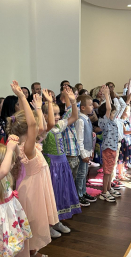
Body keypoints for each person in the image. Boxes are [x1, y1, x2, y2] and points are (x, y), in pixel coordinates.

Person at [7, 80, 58, 257]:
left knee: (36, 223)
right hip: (30, 193)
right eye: (34, 127)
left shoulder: (32, 143)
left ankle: (33, 252)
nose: (37, 128)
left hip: (38, 189)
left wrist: (39, 107)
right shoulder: (26, 149)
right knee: (29, 225)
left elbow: (48, 124)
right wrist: (22, 97)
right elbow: (32, 123)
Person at [42, 86, 82, 236]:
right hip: (51, 165)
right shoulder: (44, 129)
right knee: (51, 194)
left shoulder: (59, 126)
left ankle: (57, 220)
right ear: (44, 116)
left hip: (62, 163)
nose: (58, 117)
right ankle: (48, 224)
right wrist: (47, 103)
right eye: (54, 114)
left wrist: (73, 103)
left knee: (60, 193)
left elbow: (74, 117)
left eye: (58, 113)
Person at [98, 86, 121, 202]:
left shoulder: (112, 122)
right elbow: (108, 109)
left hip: (113, 148)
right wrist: (106, 96)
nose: (113, 114)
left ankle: (108, 188)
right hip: (107, 149)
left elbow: (113, 108)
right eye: (112, 112)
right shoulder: (104, 121)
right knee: (107, 171)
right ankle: (104, 192)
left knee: (110, 171)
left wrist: (110, 96)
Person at [75, 94, 97, 206]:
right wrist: (83, 154)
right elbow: (79, 140)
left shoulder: (87, 118)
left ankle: (83, 192)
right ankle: (79, 195)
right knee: (81, 174)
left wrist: (90, 152)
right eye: (90, 105)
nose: (92, 107)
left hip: (86, 152)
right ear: (83, 107)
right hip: (81, 153)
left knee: (84, 173)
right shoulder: (80, 120)